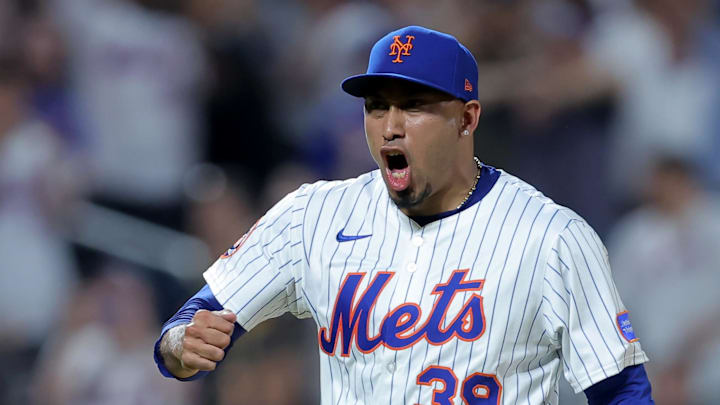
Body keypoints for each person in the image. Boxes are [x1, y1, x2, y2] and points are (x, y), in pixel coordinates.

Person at [155, 26, 654, 404]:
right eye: (376, 107)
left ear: (467, 118)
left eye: (413, 105)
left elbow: (624, 391)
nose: (390, 126)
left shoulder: (552, 237)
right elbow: (186, 326)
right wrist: (182, 345)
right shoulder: (313, 216)